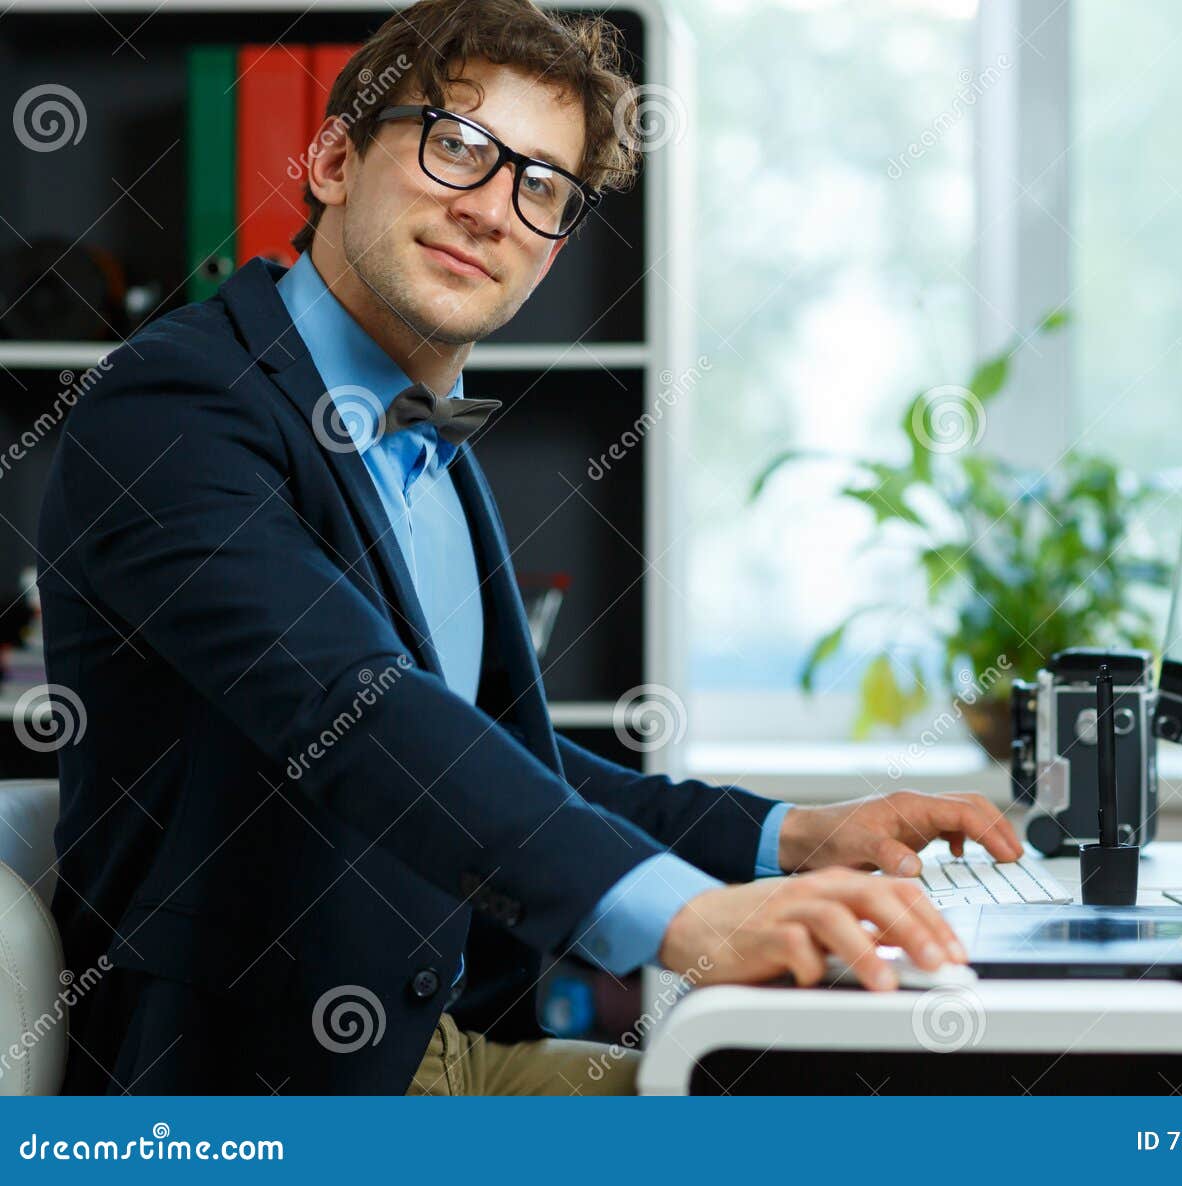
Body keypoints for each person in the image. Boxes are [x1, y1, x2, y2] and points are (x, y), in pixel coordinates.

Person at [36, 0, 1020, 1096]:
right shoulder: (174, 405)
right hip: (258, 1092)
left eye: (539, 186)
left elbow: (505, 758)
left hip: (447, 1049)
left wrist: (791, 836)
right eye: (456, 146)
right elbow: (352, 711)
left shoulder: (426, 446)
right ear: (328, 159)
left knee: (844, 1099)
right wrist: (681, 917)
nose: (492, 210)